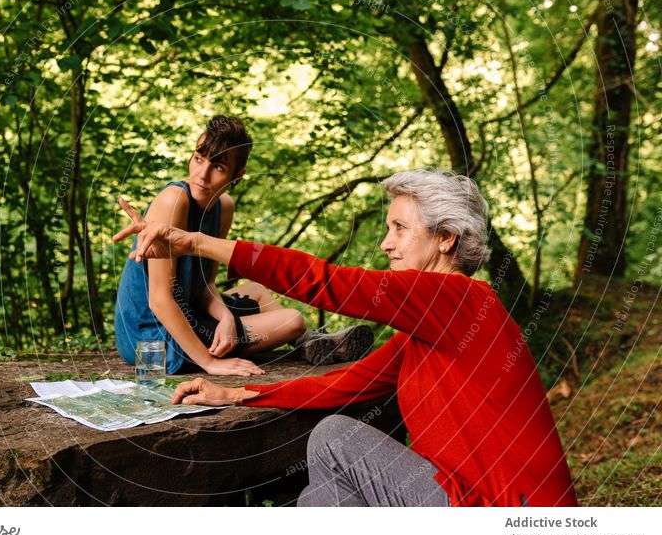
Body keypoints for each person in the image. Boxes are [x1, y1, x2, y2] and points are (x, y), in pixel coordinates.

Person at [113, 168, 578, 507]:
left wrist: (193, 241)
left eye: (399, 228)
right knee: (324, 495)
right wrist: (234, 394)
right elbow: (343, 383)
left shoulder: (461, 301)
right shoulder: (428, 333)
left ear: (447, 239)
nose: (386, 243)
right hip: (460, 502)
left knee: (334, 438)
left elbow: (326, 282)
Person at [114, 116, 373, 377]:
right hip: (151, 337)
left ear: (237, 176)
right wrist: (210, 362)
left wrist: (226, 318)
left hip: (189, 311)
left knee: (256, 290)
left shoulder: (224, 207)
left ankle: (309, 343)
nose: (201, 175)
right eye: (199, 158)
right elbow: (159, 300)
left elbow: (205, 284)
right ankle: (303, 337)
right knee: (292, 320)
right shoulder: (173, 200)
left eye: (218, 167)